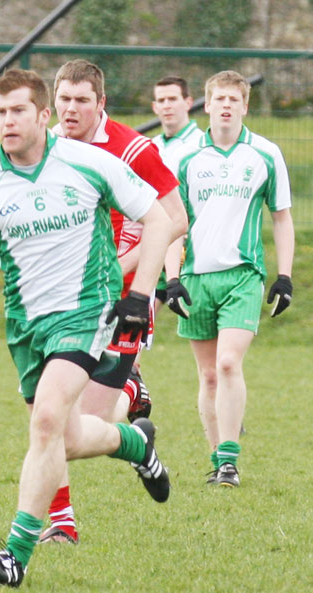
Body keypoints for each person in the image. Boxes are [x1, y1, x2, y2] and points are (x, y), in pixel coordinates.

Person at [0, 67, 177, 588]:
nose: (7, 121)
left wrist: (139, 293)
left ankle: (15, 554)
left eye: (18, 110)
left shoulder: (90, 163)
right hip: (26, 326)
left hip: (88, 311)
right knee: (67, 435)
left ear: (43, 115)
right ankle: (135, 444)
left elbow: (161, 219)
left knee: (45, 425)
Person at [37, 59, 187, 544]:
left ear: (101, 103)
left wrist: (118, 271)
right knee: (51, 420)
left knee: (90, 428)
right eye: (64, 100)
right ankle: (61, 525)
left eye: (82, 100)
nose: (71, 109)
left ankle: (133, 428)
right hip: (62, 304)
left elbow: (177, 220)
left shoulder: (133, 149)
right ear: (52, 102)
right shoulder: (47, 148)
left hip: (123, 301)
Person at [164, 70, 295, 488]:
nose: (225, 106)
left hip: (243, 276)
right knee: (207, 375)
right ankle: (217, 456)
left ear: (244, 106)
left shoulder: (265, 154)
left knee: (227, 363)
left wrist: (285, 276)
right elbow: (171, 223)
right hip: (196, 278)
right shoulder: (185, 159)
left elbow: (281, 217)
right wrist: (171, 279)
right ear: (206, 104)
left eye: (233, 100)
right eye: (218, 98)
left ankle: (229, 462)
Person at [151, 76, 204, 311]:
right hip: (153, 241)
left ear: (188, 102)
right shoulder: (150, 146)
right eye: (161, 100)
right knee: (134, 321)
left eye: (173, 99)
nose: (167, 105)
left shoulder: (202, 144)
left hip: (194, 248)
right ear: (154, 107)